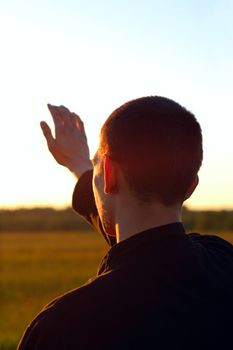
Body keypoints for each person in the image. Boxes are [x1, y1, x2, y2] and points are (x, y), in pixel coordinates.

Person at [18, 96, 233, 349]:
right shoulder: (224, 261)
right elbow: (151, 250)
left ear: (108, 173)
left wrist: (86, 167)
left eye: (97, 164)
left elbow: (143, 252)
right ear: (191, 187)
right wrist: (81, 166)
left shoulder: (59, 329)